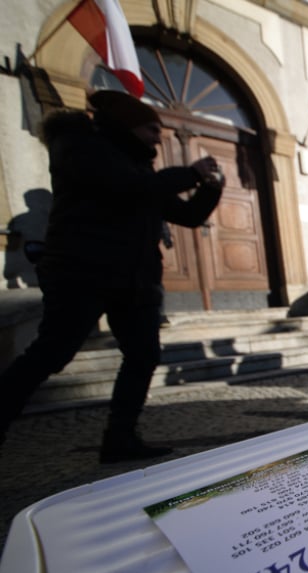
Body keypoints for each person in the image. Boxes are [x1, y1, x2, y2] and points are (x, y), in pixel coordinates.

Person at [0, 89, 223, 461]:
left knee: (143, 354)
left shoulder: (139, 166)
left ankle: (120, 438)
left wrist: (211, 189)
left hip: (132, 279)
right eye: (152, 128)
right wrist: (190, 173)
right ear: (127, 125)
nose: (158, 136)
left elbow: (184, 215)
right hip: (81, 273)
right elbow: (129, 188)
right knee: (52, 353)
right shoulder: (83, 149)